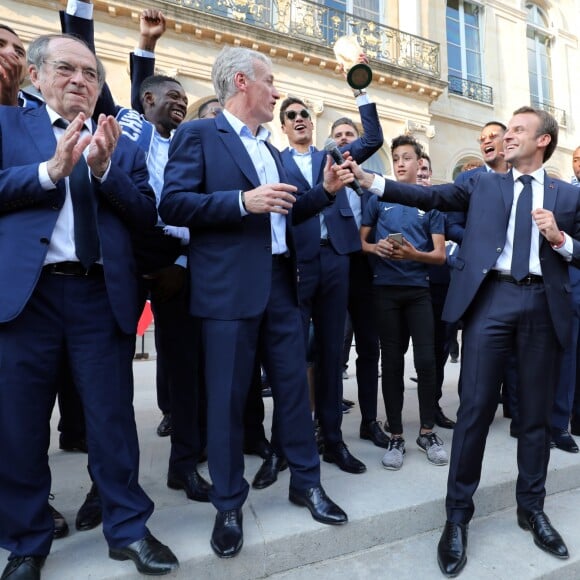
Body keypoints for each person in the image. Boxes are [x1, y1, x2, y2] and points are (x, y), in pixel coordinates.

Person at [350, 105, 576, 576]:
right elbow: (428, 194)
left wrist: (560, 239)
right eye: (506, 129)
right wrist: (372, 183)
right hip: (490, 301)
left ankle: (531, 508)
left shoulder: (567, 196)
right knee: (473, 410)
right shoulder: (481, 183)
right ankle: (457, 517)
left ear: (543, 142)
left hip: (542, 306)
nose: (507, 136)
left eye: (518, 130)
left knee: (534, 416)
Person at [159, 45, 349, 559]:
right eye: (269, 81)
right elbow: (173, 203)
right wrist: (242, 202)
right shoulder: (199, 134)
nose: (277, 91)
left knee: (292, 392)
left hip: (283, 287)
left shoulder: (274, 148)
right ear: (242, 82)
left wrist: (325, 192)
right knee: (224, 402)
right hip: (226, 293)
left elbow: (289, 212)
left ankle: (305, 484)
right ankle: (227, 504)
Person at [0, 33, 178, 578]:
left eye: (91, 74)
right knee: (20, 425)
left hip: (99, 296)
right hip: (27, 299)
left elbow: (148, 216)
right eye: (66, 69)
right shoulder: (8, 126)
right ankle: (28, 541)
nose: (80, 80)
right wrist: (48, 172)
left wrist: (104, 171)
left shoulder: (119, 142)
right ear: (36, 76)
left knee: (111, 420)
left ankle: (127, 529)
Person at [278, 79, 383, 473]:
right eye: (291, 115)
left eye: (304, 113)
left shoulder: (334, 154)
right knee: (290, 355)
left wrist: (360, 90)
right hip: (298, 261)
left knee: (331, 354)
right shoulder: (275, 159)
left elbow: (372, 137)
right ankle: (286, 443)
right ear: (284, 127)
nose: (300, 118)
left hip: (338, 257)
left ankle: (333, 440)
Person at [360, 135, 447, 471]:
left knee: (426, 363)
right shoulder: (377, 198)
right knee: (392, 364)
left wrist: (414, 254)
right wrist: (375, 248)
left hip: (418, 291)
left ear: (418, 162)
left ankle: (427, 432)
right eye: (395, 157)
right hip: (385, 290)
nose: (399, 162)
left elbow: (439, 256)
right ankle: (396, 435)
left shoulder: (430, 202)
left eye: (406, 157)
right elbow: (360, 242)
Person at [329, 115, 387, 448]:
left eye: (349, 134)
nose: (343, 140)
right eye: (338, 135)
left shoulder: (371, 184)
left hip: (365, 272)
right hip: (332, 267)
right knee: (332, 350)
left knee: (369, 349)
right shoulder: (322, 176)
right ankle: (328, 426)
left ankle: (369, 422)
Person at [417, 153, 456, 429]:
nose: (421, 174)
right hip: (403, 286)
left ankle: (432, 406)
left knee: (439, 350)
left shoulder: (442, 208)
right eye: (416, 169)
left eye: (425, 170)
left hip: (440, 286)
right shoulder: (390, 205)